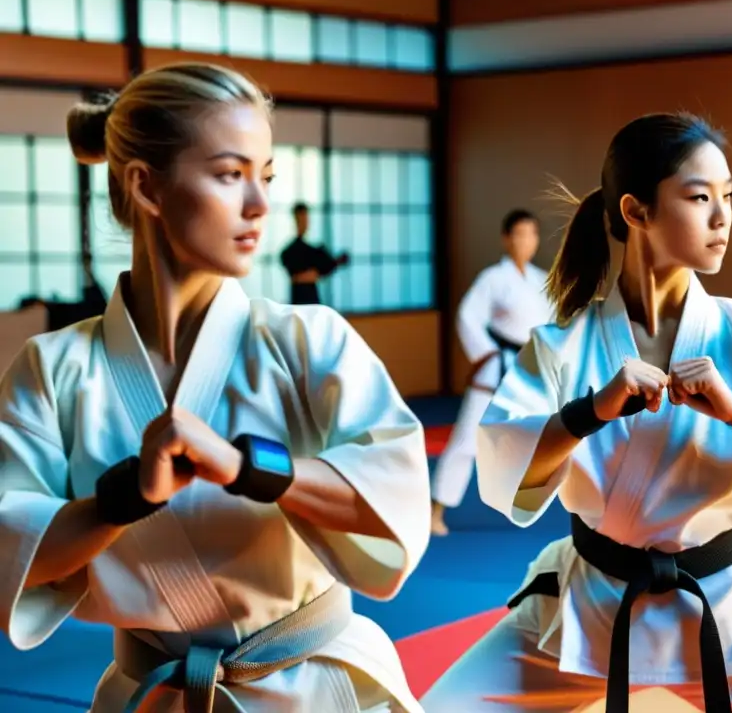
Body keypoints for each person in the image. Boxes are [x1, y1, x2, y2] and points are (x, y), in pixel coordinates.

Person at [0, 62, 431, 713]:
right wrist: (120, 500)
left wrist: (248, 466)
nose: (260, 206)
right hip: (154, 696)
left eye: (266, 177)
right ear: (146, 185)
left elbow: (394, 496)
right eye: (231, 175)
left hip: (315, 689)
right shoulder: (51, 369)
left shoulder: (306, 342)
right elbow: (16, 554)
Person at [419, 112, 732, 713]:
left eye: (728, 197)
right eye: (699, 197)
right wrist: (592, 411)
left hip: (725, 601)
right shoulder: (562, 346)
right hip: (589, 603)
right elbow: (511, 475)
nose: (723, 217)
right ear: (636, 212)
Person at [430, 209, 553, 536]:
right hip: (495, 365)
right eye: (519, 234)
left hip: (527, 370)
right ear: (506, 238)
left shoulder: (542, 280)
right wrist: (485, 354)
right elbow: (467, 316)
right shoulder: (492, 279)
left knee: (534, 437)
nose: (525, 241)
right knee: (468, 439)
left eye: (531, 234)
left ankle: (524, 502)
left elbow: (555, 325)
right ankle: (436, 508)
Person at [280, 201, 350, 305]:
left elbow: (324, 268)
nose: (305, 222)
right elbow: (298, 276)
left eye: (306, 218)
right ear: (295, 219)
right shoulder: (289, 251)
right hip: (299, 299)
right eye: (301, 218)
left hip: (312, 299)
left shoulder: (313, 250)